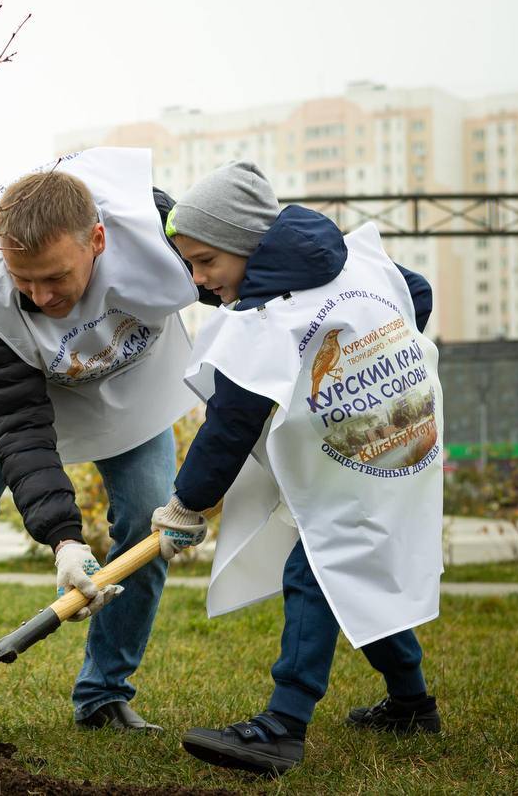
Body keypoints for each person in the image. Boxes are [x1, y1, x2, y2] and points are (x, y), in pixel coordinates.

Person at [0, 147, 202, 743]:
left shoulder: (166, 236)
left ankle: (104, 694)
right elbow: (18, 422)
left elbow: (248, 288)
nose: (41, 296)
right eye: (24, 280)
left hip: (135, 385)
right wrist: (64, 540)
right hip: (24, 386)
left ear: (97, 240)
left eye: (55, 278)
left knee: (152, 513)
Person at [150, 162, 443, 775]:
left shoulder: (269, 320)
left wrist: (186, 504)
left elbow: (228, 425)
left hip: (355, 462)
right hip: (405, 439)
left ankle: (283, 725)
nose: (200, 281)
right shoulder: (353, 261)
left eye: (207, 262)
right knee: (353, 568)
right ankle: (412, 704)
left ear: (248, 246)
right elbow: (415, 292)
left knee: (319, 570)